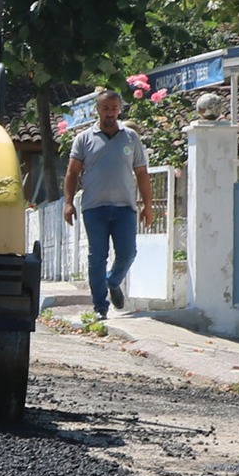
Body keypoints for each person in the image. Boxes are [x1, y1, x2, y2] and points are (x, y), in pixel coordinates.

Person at [63, 87, 155, 320]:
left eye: (114, 108)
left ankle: (113, 282)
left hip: (125, 208)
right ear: (98, 110)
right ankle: (100, 307)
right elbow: (72, 173)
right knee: (97, 256)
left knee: (128, 252)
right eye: (105, 108)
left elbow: (142, 173)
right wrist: (68, 202)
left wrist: (148, 205)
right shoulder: (84, 139)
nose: (110, 113)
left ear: (119, 110)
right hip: (94, 208)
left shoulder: (131, 137)